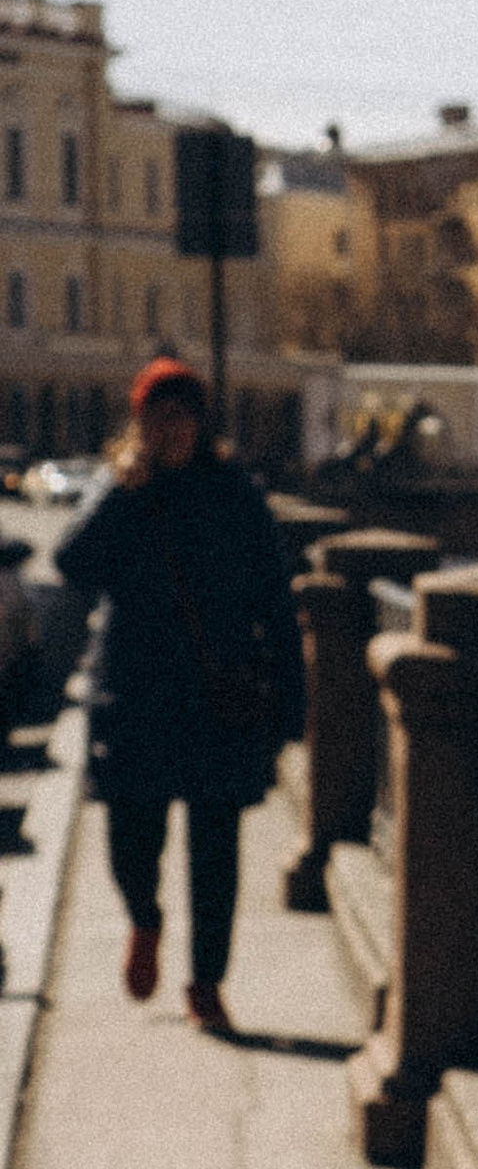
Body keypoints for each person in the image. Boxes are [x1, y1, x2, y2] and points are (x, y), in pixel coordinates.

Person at [55, 357, 306, 1038]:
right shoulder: (123, 489)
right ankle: (144, 917)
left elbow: (277, 601)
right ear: (139, 423)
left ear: (202, 421)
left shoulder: (234, 493)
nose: (174, 427)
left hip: (214, 698)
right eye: (159, 414)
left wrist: (292, 700)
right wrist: (119, 489)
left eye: (184, 413)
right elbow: (70, 563)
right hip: (132, 697)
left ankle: (207, 983)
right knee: (129, 839)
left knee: (215, 854)